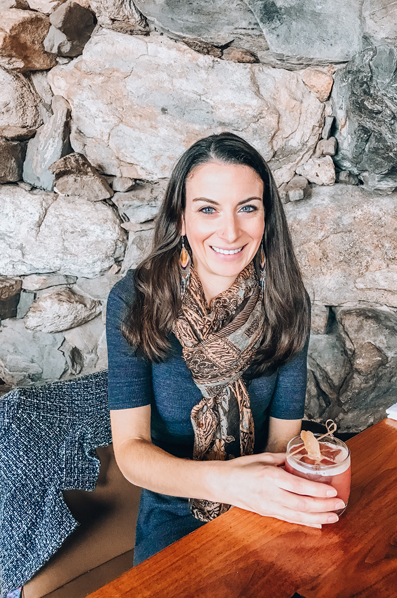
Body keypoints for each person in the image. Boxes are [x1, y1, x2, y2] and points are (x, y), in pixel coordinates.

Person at [106, 132, 345, 566]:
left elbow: (282, 440)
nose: (230, 231)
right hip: (176, 510)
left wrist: (269, 497)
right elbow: (131, 453)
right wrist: (229, 485)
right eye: (208, 209)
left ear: (266, 217)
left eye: (247, 208)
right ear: (181, 218)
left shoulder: (288, 300)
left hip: (267, 499)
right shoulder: (133, 300)